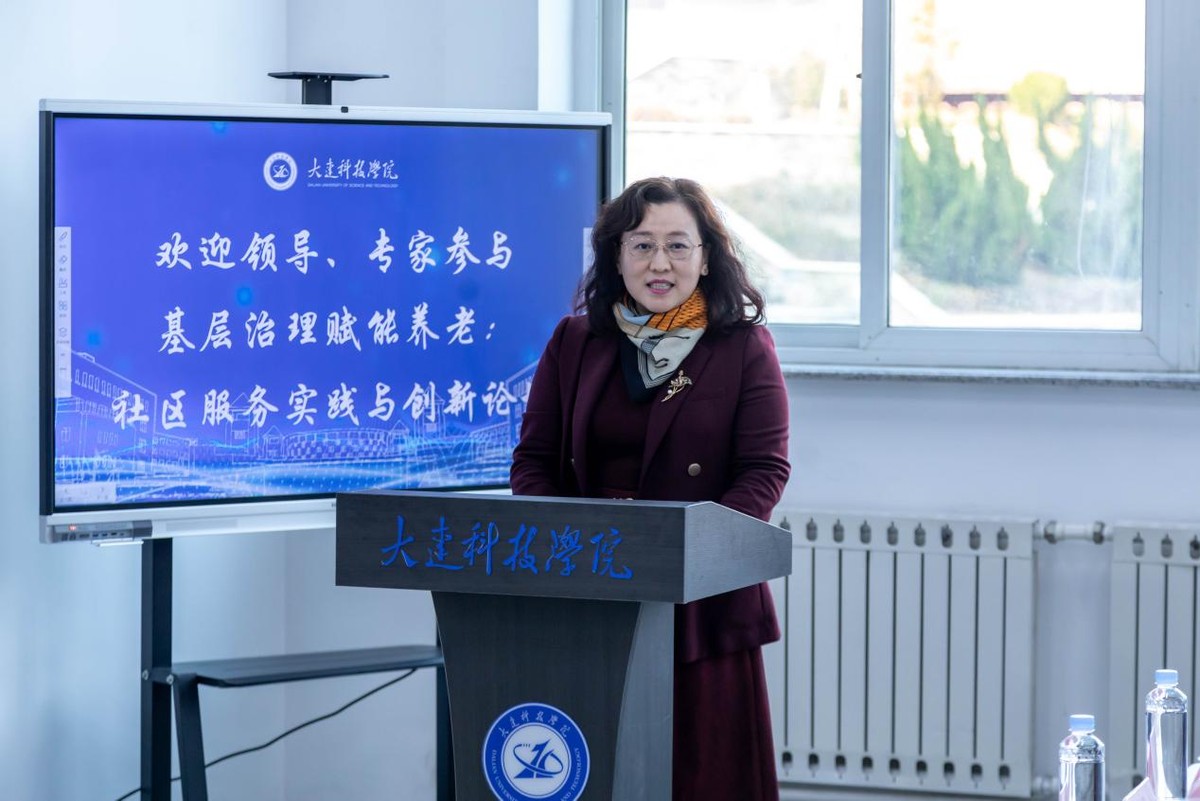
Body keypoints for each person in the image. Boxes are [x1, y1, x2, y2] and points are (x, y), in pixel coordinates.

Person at [510, 176, 791, 800]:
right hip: (590, 589)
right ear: (616, 256)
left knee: (700, 778)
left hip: (701, 598)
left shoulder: (742, 346)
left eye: (677, 245)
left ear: (706, 257)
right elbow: (533, 461)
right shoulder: (575, 341)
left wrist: (695, 552)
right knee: (595, 772)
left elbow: (764, 470)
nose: (659, 263)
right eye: (641, 245)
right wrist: (560, 544)